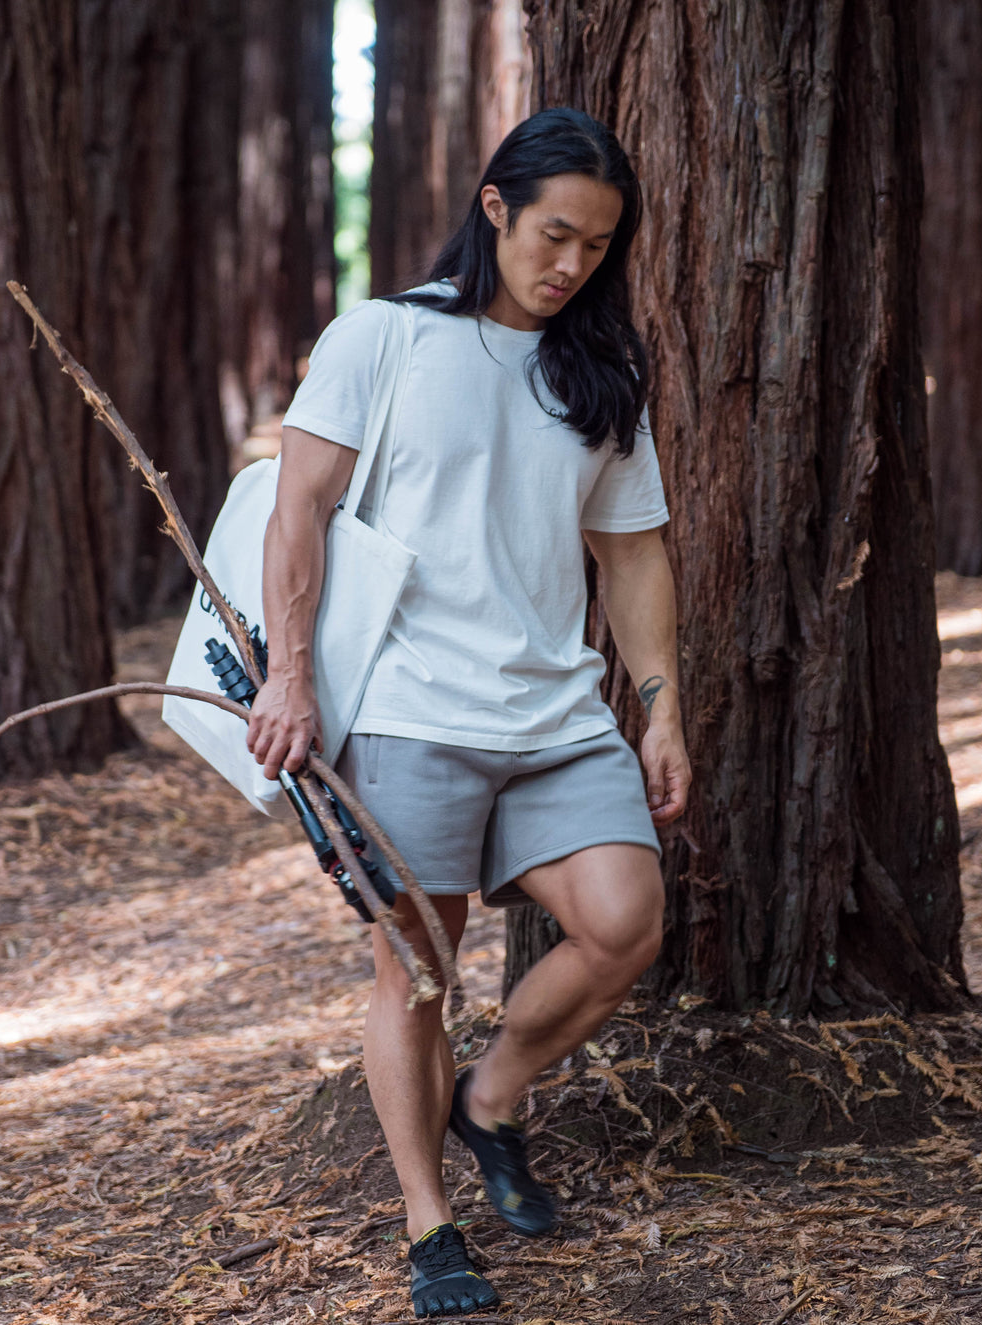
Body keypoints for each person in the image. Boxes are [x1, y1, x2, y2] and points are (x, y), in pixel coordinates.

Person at [247, 107, 691, 1319]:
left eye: (597, 246)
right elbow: (298, 511)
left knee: (624, 921)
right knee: (417, 971)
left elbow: (632, 552)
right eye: (555, 235)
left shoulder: (601, 371)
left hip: (556, 713)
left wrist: (659, 705)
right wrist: (290, 673)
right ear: (494, 207)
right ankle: (430, 1223)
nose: (572, 264)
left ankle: (489, 1098)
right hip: (409, 710)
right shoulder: (385, 336)